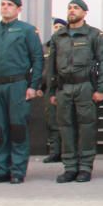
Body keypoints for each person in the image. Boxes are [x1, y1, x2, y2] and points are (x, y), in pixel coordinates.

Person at [0, 0, 44, 185]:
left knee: (17, 128)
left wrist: (33, 85)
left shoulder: (27, 31)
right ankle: (0, 169)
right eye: (3, 4)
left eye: (9, 4)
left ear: (18, 9)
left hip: (17, 85)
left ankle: (17, 170)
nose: (5, 7)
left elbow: (38, 59)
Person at [45, 0, 103, 183]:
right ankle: (70, 167)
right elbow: (52, 66)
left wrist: (101, 88)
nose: (72, 10)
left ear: (84, 13)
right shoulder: (59, 36)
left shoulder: (94, 35)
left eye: (76, 8)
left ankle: (85, 167)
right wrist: (51, 91)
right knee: (66, 128)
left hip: (85, 86)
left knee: (87, 127)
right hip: (64, 87)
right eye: (70, 7)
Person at [41, 17, 67, 163]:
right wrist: (40, 86)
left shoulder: (67, 44)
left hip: (64, 86)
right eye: (55, 26)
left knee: (65, 121)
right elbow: (43, 69)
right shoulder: (46, 47)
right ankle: (54, 151)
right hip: (49, 88)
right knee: (51, 121)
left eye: (60, 26)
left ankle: (66, 152)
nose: (57, 29)